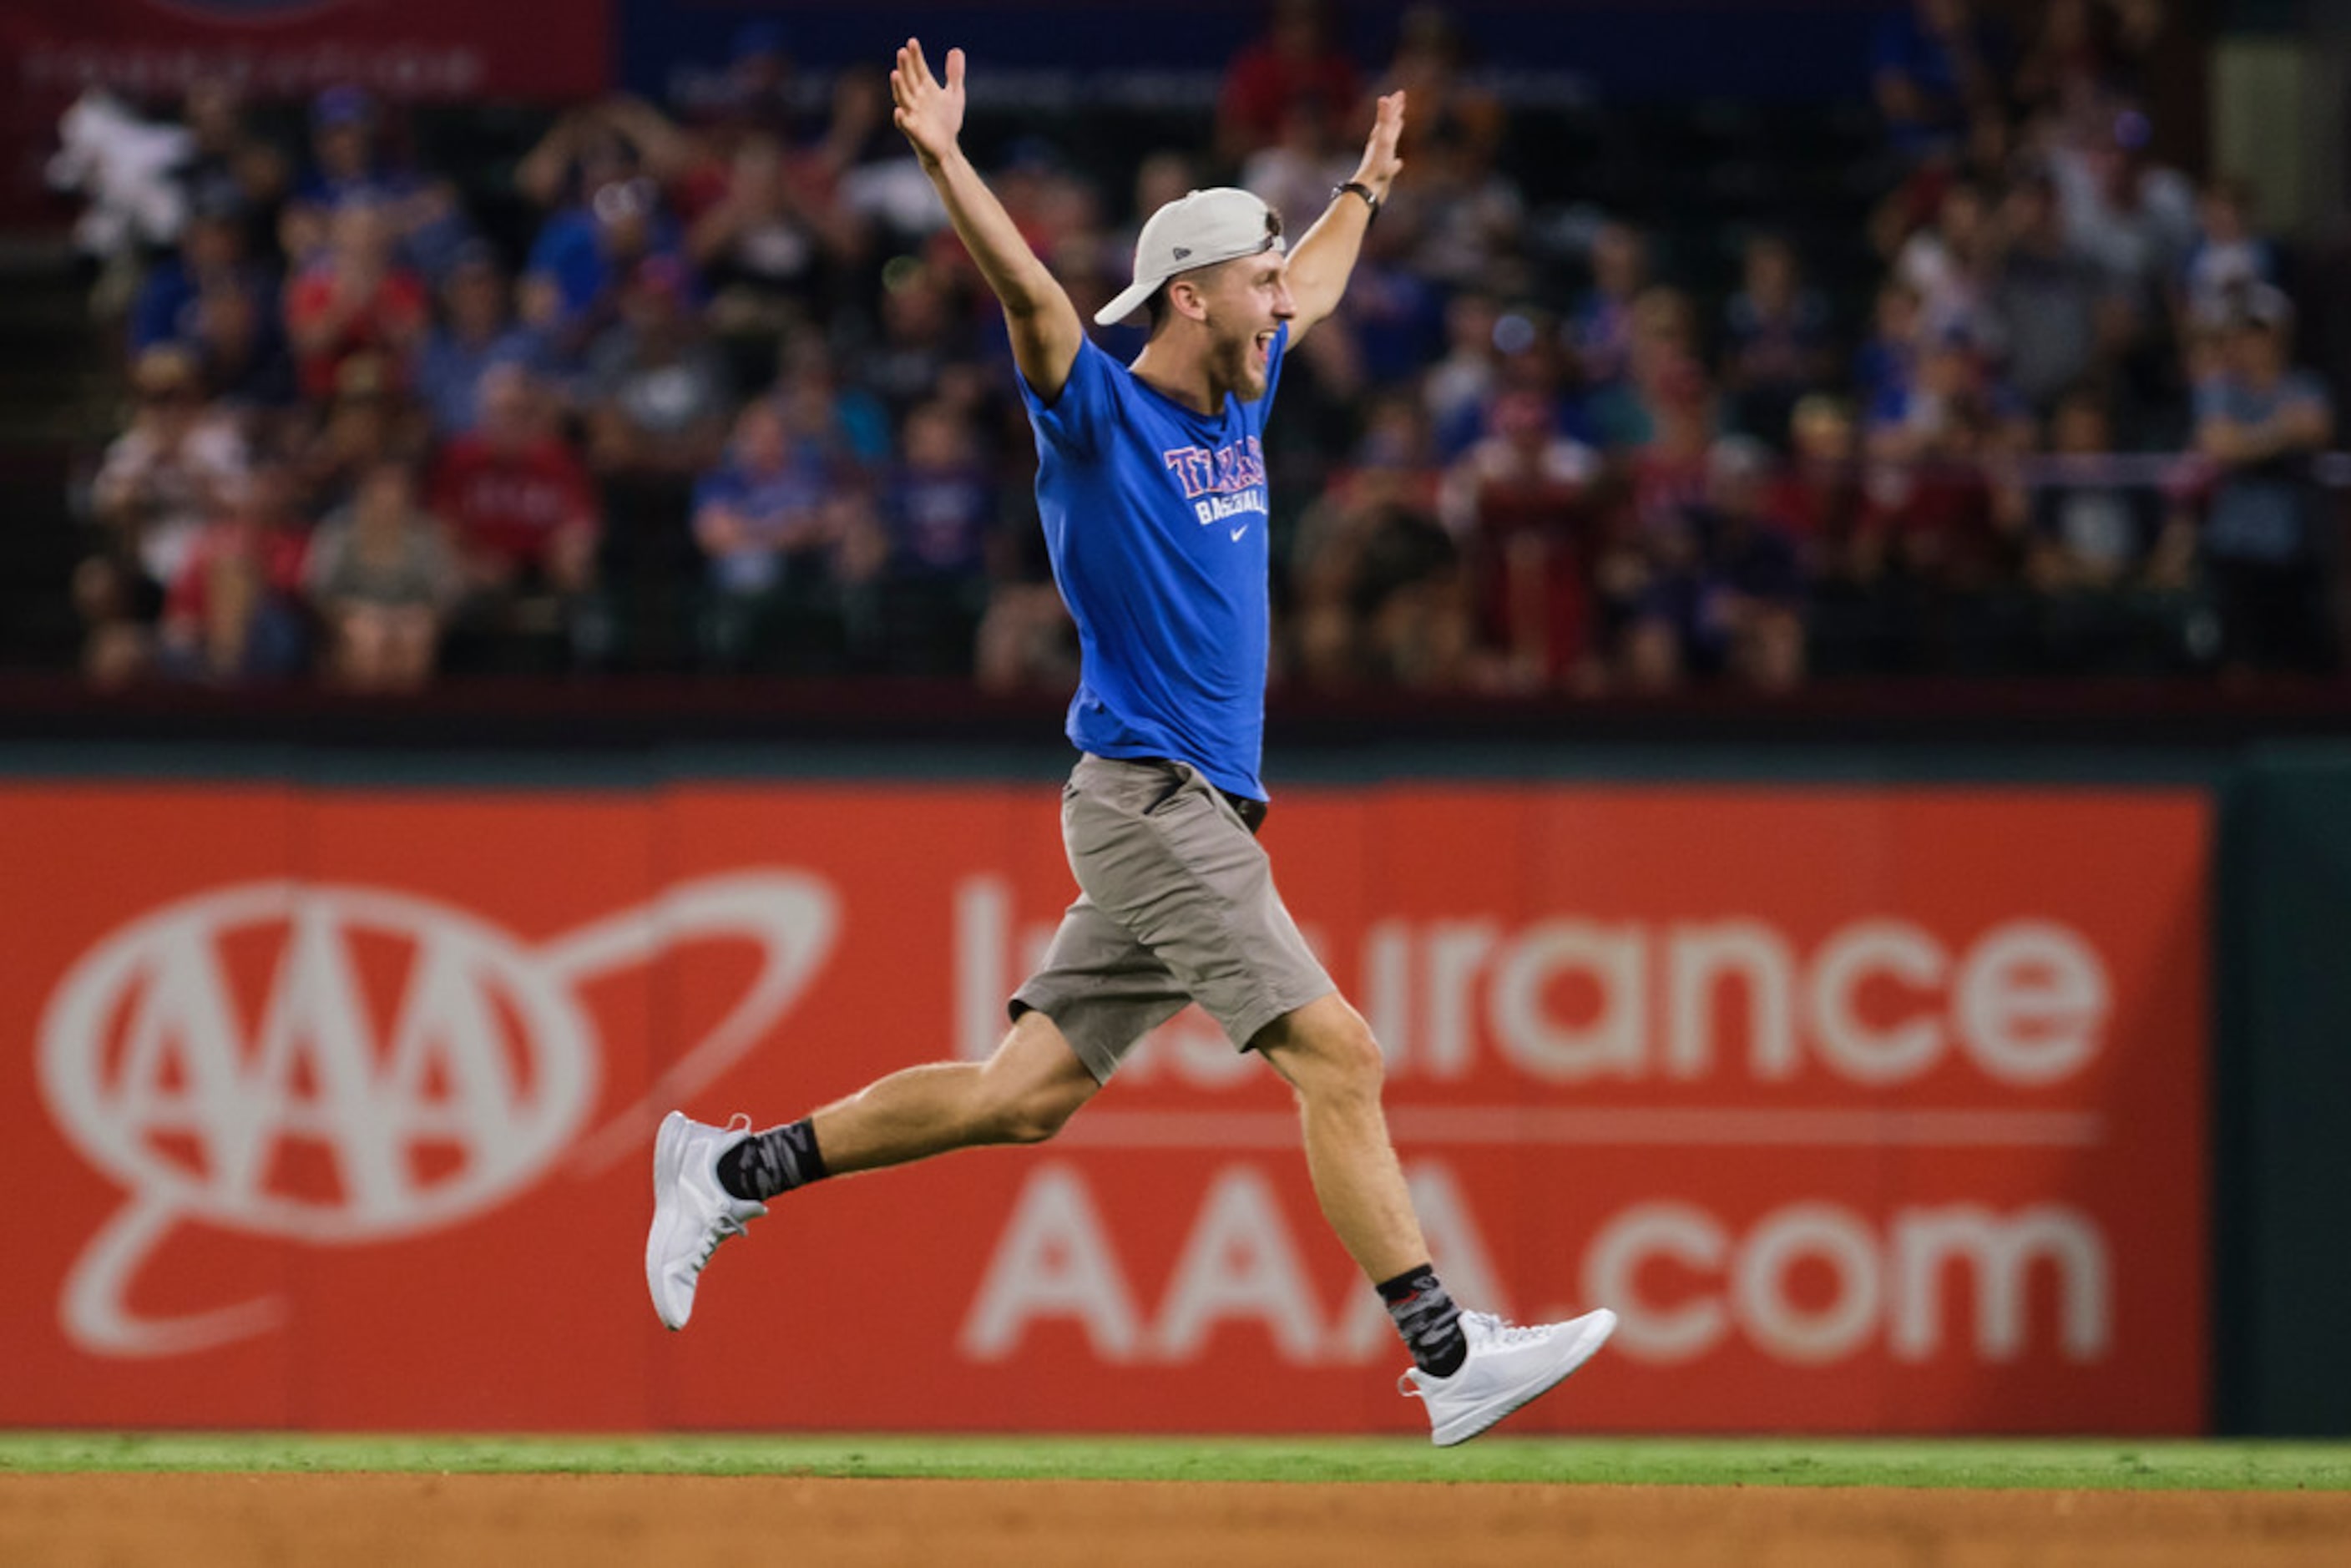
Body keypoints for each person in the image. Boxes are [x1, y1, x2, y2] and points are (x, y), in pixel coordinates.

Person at [646, 38, 1615, 1449]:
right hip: (1150, 801)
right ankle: (1449, 1351)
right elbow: (1033, 297)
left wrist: (1367, 185)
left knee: (1019, 1096)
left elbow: (1328, 278)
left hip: (1189, 810)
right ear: (1189, 295)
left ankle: (731, 1168)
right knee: (1339, 1054)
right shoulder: (1098, 412)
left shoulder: (1244, 385)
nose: (1284, 302)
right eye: (1259, 280)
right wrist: (945, 163)